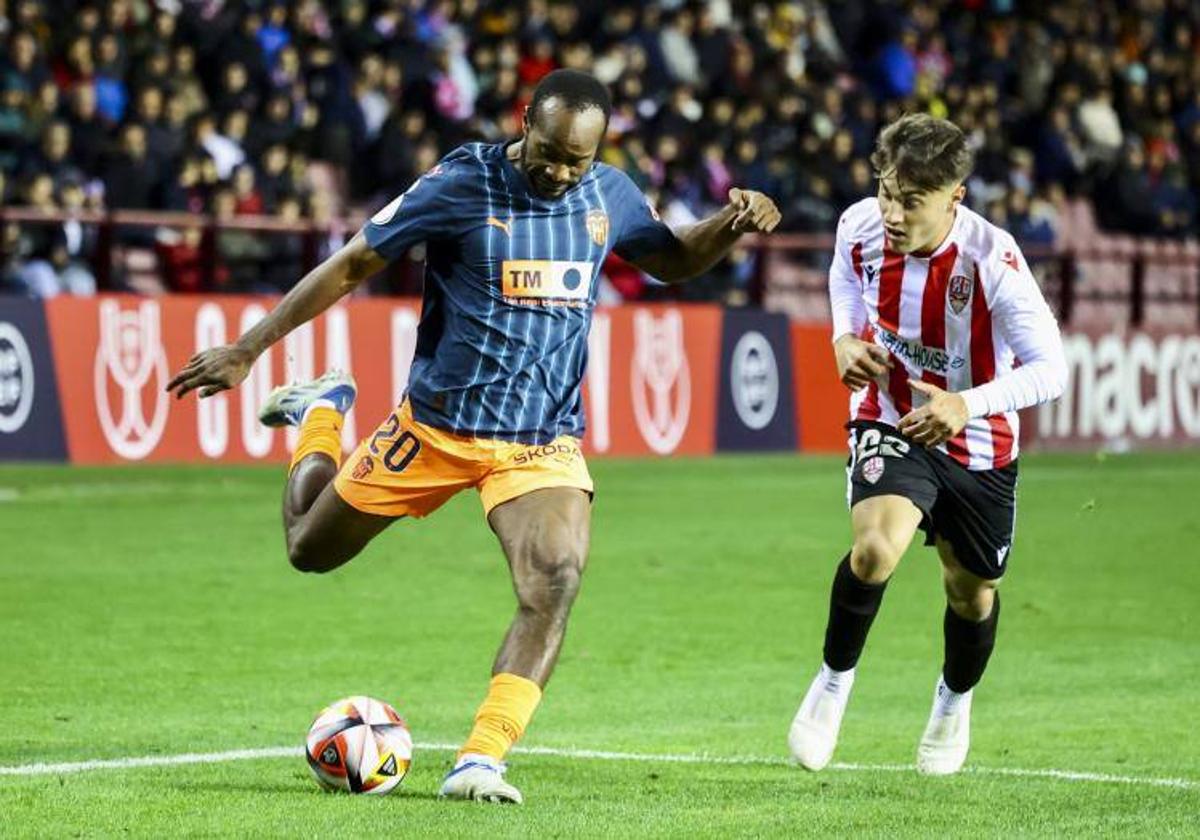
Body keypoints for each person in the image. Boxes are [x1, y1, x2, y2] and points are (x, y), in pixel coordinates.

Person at [166, 70, 780, 803]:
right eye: (548, 151)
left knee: (555, 576)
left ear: (598, 152)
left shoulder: (608, 194)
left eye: (574, 160)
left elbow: (672, 259)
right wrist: (249, 346)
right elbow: (356, 261)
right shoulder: (461, 183)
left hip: (537, 439)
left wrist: (729, 225)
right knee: (308, 548)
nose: (558, 171)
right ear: (525, 122)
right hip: (433, 429)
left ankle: (481, 758)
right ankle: (321, 411)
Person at [788, 114, 1067, 776]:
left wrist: (966, 403)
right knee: (874, 549)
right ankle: (831, 684)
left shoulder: (992, 261)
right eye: (887, 191)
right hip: (892, 415)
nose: (892, 211)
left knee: (969, 591)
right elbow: (842, 275)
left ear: (954, 197)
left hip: (980, 439)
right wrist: (844, 337)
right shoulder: (859, 225)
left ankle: (952, 701)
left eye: (911, 200)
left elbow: (1051, 370)